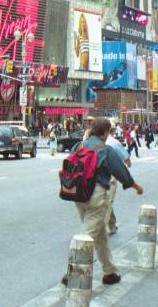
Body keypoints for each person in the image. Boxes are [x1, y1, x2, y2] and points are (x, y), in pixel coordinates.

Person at [62, 117, 144, 287]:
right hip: (96, 196)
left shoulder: (80, 145)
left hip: (79, 194)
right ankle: (71, 272)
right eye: (109, 131)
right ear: (105, 132)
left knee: (100, 235)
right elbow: (120, 171)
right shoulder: (105, 149)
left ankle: (109, 272)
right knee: (87, 237)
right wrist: (136, 186)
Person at [104, 124, 132, 236]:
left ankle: (111, 226)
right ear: (113, 131)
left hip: (94, 175)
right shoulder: (114, 143)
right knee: (107, 201)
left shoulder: (93, 140)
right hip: (110, 176)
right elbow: (127, 161)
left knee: (104, 201)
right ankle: (100, 229)